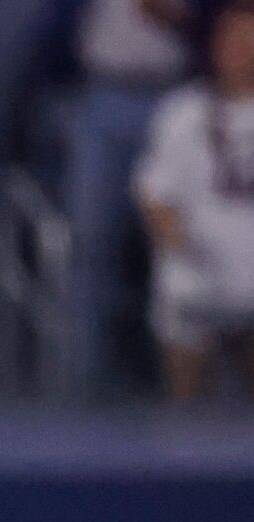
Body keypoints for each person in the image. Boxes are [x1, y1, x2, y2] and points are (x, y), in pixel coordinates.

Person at [64, 0, 197, 397]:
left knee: (176, 239)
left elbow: (216, 22)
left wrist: (178, 15)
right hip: (103, 93)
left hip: (173, 97)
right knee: (91, 242)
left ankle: (180, 376)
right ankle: (83, 377)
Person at [135, 0, 254, 399]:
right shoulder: (183, 111)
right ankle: (182, 414)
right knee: (178, 285)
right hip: (203, 264)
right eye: (231, 38)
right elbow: (154, 196)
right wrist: (181, 252)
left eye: (249, 40)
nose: (239, 48)